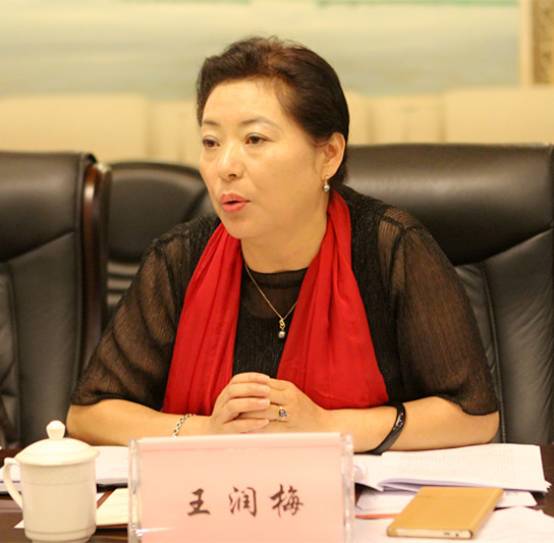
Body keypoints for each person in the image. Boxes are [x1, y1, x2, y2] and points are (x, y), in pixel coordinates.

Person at [67, 36, 499, 452]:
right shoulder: (180, 258)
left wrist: (329, 426)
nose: (225, 166)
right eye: (211, 143)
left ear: (328, 155)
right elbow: (88, 415)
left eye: (254, 139)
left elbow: (473, 415)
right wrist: (207, 430)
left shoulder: (389, 248)